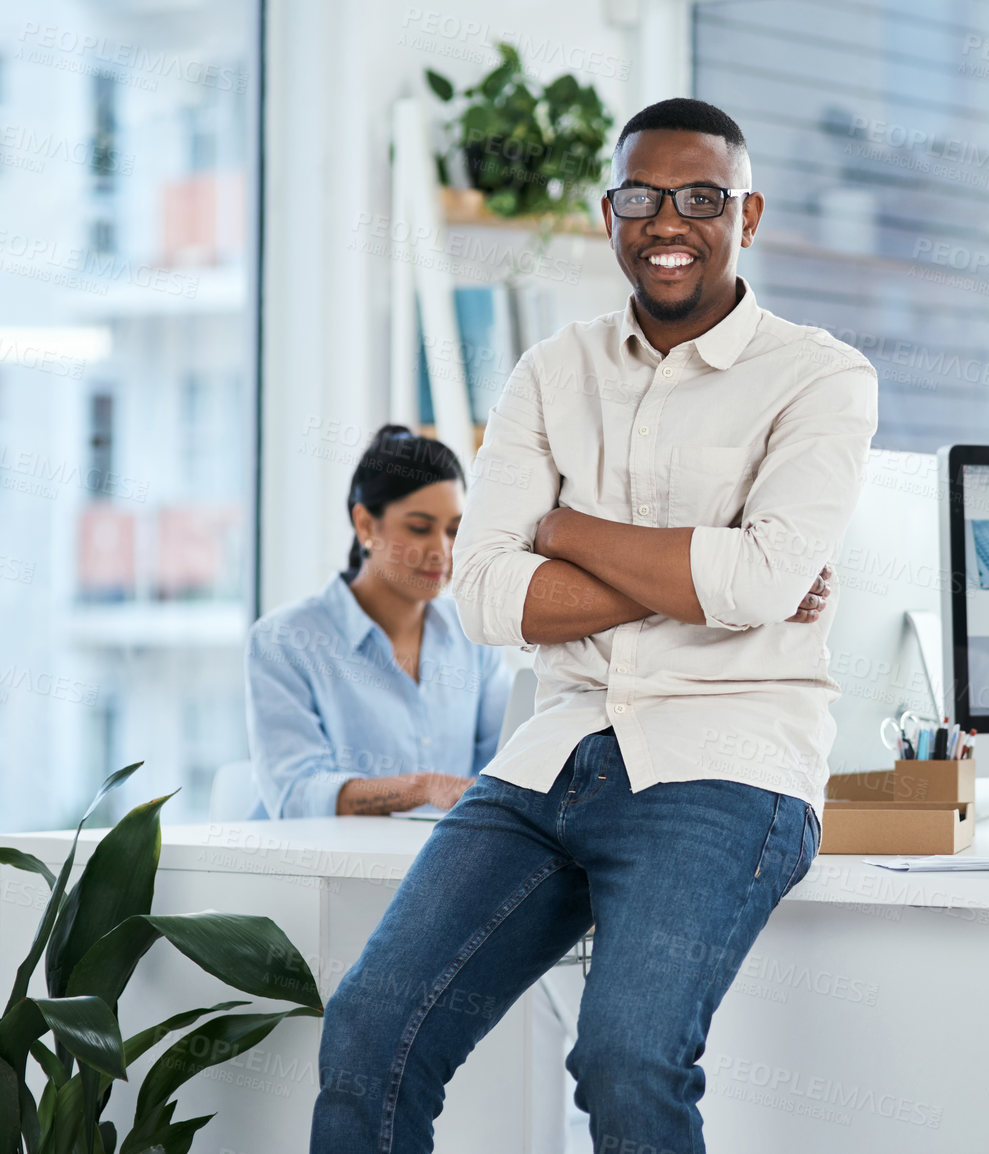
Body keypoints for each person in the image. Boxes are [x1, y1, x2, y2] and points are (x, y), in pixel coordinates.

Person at [310, 98, 874, 1154]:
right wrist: (699, 564)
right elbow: (482, 593)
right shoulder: (548, 371)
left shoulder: (821, 376)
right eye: (640, 196)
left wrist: (567, 532)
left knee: (626, 1055)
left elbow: (757, 582)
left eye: (700, 197)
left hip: (727, 762)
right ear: (608, 212)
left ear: (745, 213)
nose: (668, 220)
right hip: (550, 754)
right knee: (369, 1027)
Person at [245, 425, 511, 818]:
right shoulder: (285, 640)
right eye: (419, 528)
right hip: (321, 871)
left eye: (454, 530)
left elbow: (507, 765)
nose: (442, 550)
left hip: (443, 869)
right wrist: (423, 788)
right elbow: (295, 795)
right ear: (366, 525)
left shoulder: (473, 633)